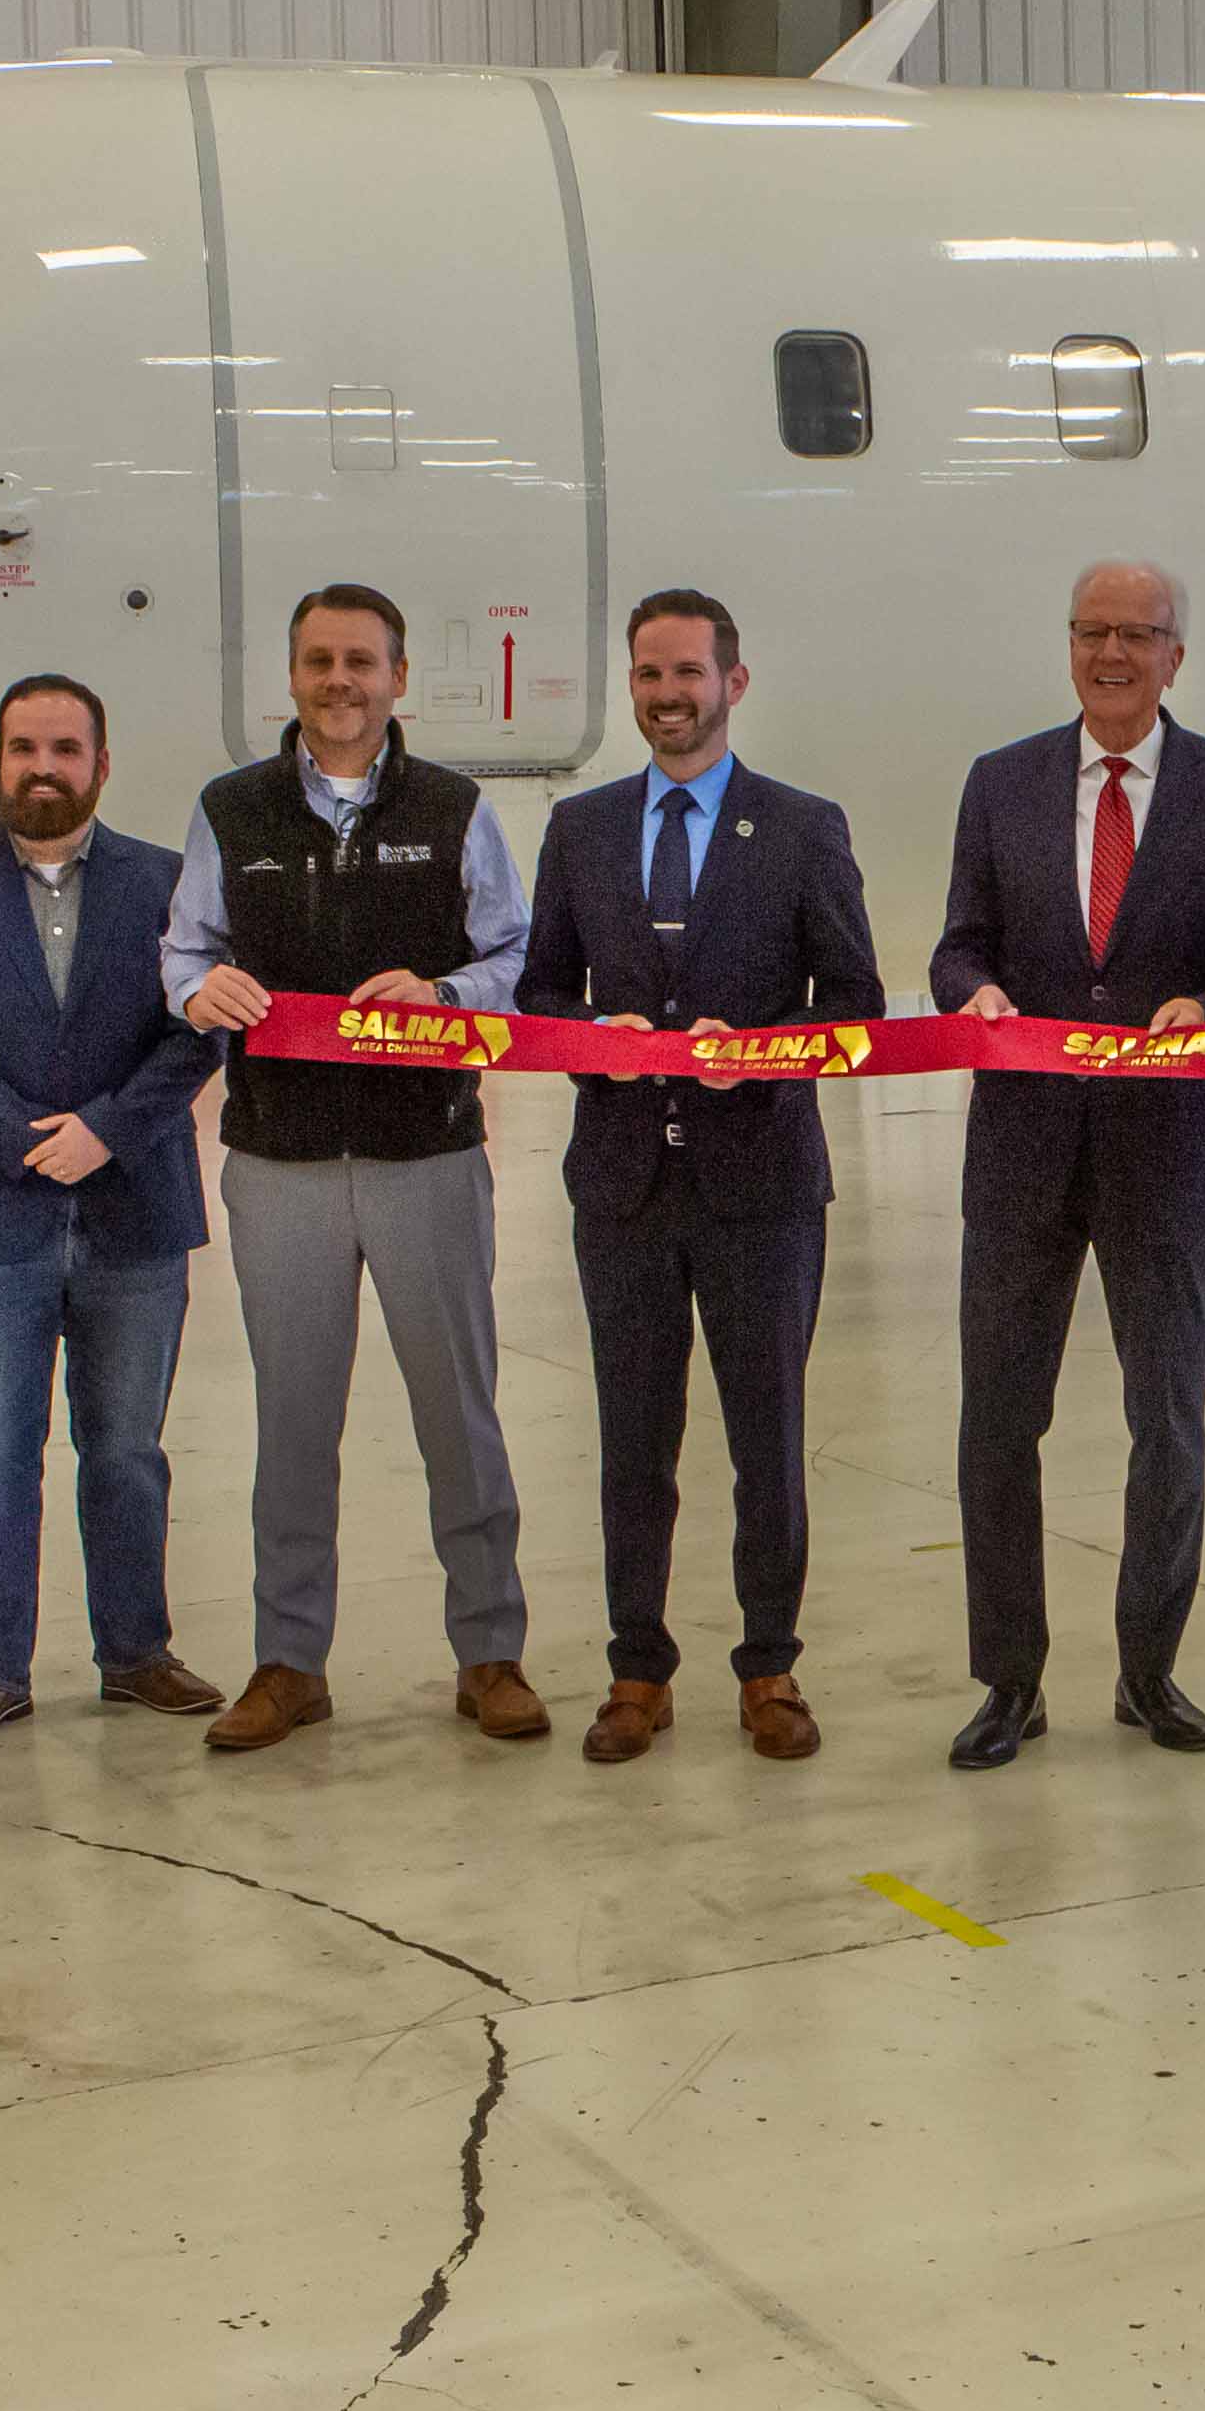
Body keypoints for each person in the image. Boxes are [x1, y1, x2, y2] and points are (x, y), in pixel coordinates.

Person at [931, 560, 1205, 1770]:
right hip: (1022, 1149)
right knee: (998, 1422)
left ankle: (1149, 1669)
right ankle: (1010, 1679)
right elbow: (956, 946)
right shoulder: (1000, 784)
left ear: (1175, 656)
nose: (1111, 654)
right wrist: (972, 993)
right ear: (1068, 645)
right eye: (1091, 631)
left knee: (1169, 1423)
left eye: (1137, 634)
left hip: (1165, 1151)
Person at [167, 585, 540, 1753]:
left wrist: (444, 994)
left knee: (459, 1416)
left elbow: (514, 959)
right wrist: (196, 988)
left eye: (362, 663)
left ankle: (489, 1651)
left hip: (424, 1153)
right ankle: (288, 1661)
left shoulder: (455, 806)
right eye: (319, 661)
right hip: (278, 1161)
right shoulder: (230, 810)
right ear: (291, 677)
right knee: (291, 1422)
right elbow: (186, 946)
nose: (341, 681)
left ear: (397, 678)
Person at [519, 589, 885, 1764]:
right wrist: (599, 1034)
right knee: (633, 1441)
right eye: (647, 677)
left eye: (687, 673)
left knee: (765, 1438)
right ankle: (637, 1670)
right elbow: (535, 998)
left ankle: (768, 1664)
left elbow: (858, 1005)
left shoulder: (800, 826)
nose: (667, 696)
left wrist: (762, 1064)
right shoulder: (579, 830)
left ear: (734, 679)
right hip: (621, 1183)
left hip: (761, 1181)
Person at [0, 677, 225, 1745]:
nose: (43, 765)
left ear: (101, 762)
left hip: (133, 1211)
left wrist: (106, 1131)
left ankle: (135, 1653)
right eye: (23, 746)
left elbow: (199, 1030)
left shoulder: (169, 885)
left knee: (125, 1449)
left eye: (65, 747)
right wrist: (25, 1136)